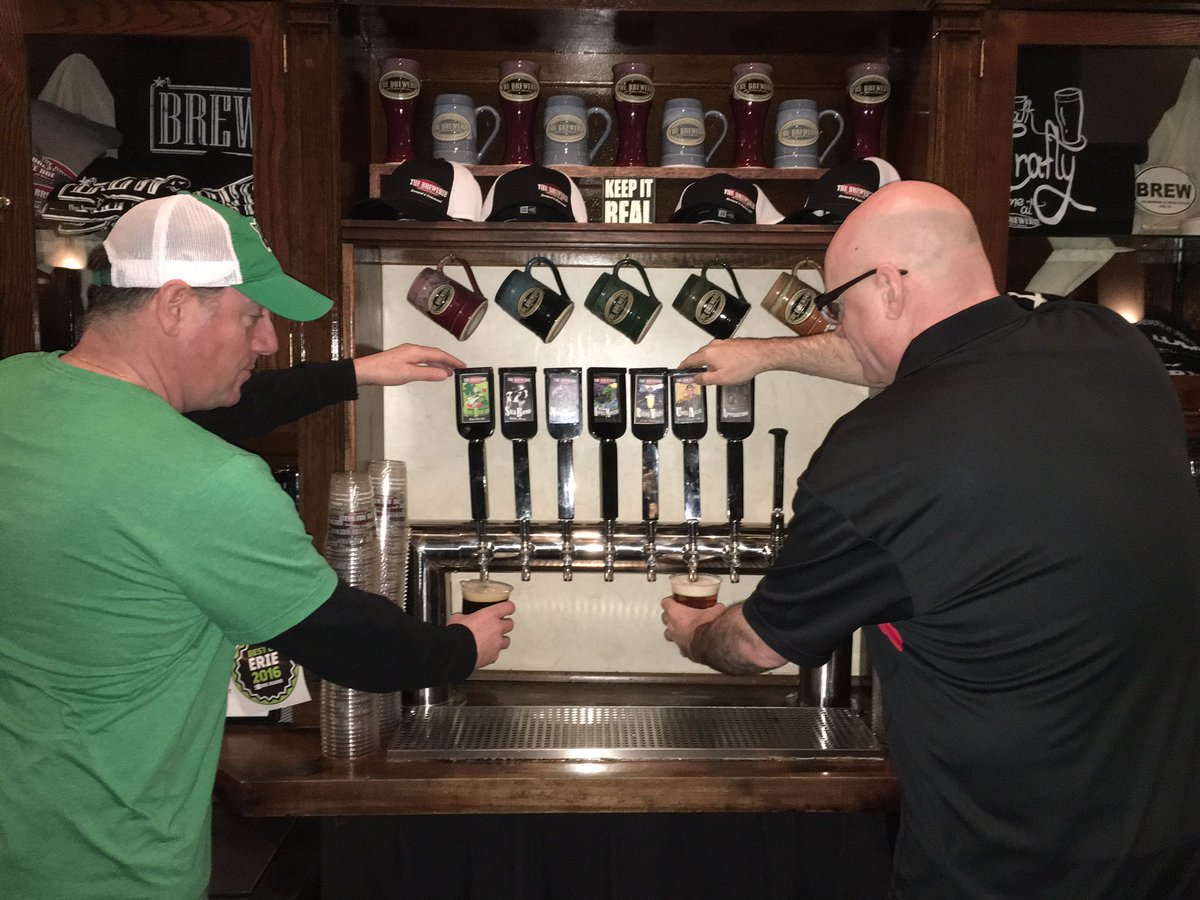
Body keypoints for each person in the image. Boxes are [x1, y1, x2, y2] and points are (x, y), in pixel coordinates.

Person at [662, 181, 1200, 897]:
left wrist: (695, 631)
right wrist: (766, 353)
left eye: (837, 306)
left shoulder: (876, 458)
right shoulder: (1110, 345)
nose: (834, 325)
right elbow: (905, 353)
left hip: (1008, 866)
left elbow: (757, 645)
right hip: (1168, 845)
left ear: (887, 285)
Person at [0, 192, 515, 899]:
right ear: (176, 305)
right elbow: (350, 644)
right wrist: (460, 646)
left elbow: (192, 417)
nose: (269, 341)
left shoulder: (18, 389)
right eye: (252, 316)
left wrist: (355, 373)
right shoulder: (206, 482)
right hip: (109, 867)